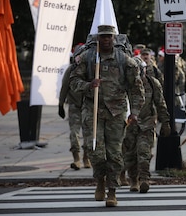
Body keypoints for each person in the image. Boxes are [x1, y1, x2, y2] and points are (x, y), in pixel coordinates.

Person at [70, 25, 145, 207]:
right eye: (102, 37)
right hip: (92, 110)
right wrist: (89, 85)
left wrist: (135, 112)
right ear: (97, 38)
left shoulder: (124, 60)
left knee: (114, 153)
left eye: (109, 37)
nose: (106, 40)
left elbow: (136, 88)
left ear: (114, 38)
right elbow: (74, 81)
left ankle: (112, 190)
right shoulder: (88, 58)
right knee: (95, 150)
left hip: (116, 112)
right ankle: (100, 181)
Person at [122, 57, 171, 193]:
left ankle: (144, 179)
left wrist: (165, 122)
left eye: (140, 70)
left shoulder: (152, 83)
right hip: (128, 125)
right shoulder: (125, 84)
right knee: (130, 155)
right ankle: (133, 180)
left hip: (147, 123)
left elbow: (160, 103)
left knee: (143, 152)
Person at [58, 58, 91, 170]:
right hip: (74, 105)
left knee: (88, 134)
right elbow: (64, 87)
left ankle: (86, 157)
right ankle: (76, 158)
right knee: (74, 133)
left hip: (88, 106)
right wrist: (60, 104)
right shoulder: (71, 70)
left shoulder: (90, 69)